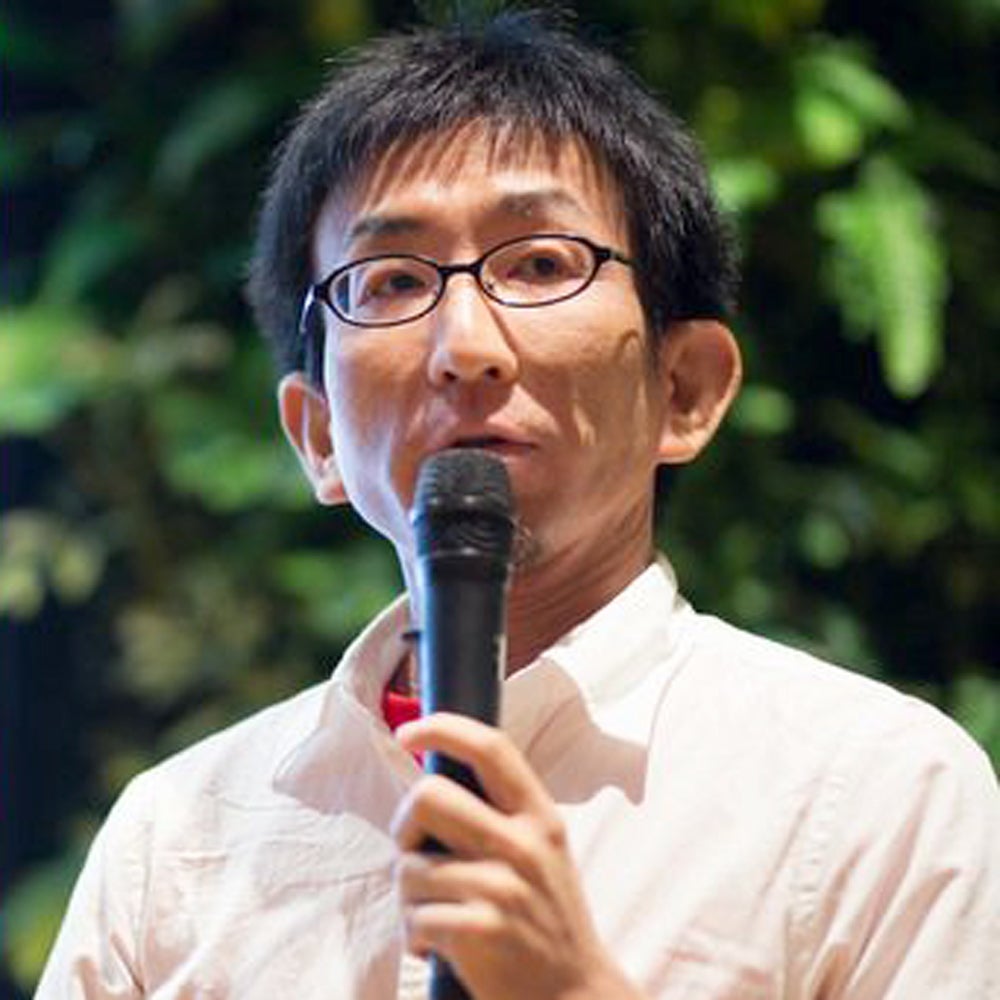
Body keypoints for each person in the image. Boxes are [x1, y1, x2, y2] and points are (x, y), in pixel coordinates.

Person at [37, 10, 999, 999]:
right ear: (318, 436)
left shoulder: (877, 793)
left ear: (683, 389)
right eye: (390, 280)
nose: (465, 346)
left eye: (540, 263)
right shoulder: (175, 842)